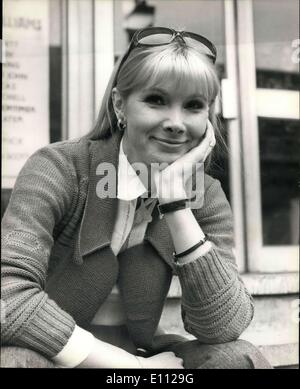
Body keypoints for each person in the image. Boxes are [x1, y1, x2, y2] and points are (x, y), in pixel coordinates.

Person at [1, 27, 272, 369]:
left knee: (237, 358)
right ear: (120, 104)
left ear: (208, 118)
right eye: (156, 100)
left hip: (146, 353)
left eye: (193, 106)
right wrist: (133, 370)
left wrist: (175, 203)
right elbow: (7, 294)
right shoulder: (58, 168)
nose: (175, 122)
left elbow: (224, 325)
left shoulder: (206, 193)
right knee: (13, 361)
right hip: (57, 355)